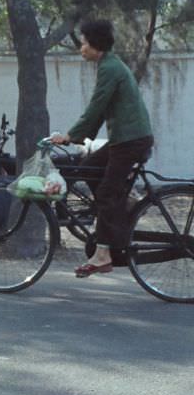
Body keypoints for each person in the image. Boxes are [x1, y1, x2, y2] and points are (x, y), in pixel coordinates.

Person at [50, 19, 153, 278]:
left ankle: (103, 254)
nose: (81, 48)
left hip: (131, 141)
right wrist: (76, 138)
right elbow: (99, 111)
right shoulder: (108, 64)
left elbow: (96, 106)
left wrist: (72, 135)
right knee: (87, 168)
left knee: (106, 193)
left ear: (95, 44)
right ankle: (126, 202)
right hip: (125, 139)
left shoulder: (110, 68)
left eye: (84, 43)